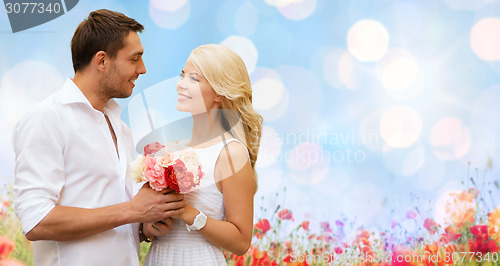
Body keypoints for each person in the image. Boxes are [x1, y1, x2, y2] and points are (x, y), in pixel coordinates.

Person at [12, 9, 185, 266]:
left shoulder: (120, 128)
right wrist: (133, 211)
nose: (143, 69)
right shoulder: (47, 119)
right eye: (135, 58)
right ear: (102, 61)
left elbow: (115, 214)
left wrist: (144, 226)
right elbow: (37, 221)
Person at [143, 44, 263, 265]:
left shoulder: (231, 153)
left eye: (194, 79)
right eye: (182, 76)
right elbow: (150, 226)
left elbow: (241, 241)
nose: (181, 84)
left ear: (219, 92)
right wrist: (151, 226)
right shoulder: (170, 150)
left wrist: (189, 214)